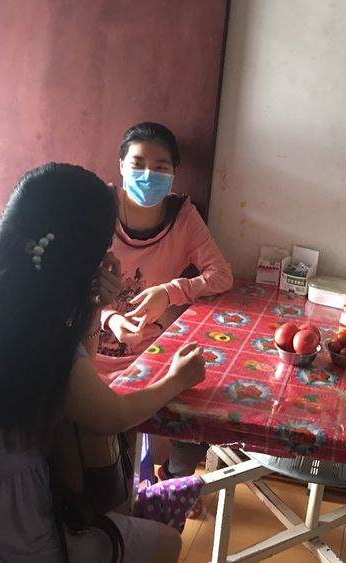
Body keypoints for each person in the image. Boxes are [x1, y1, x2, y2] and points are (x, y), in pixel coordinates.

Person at [0, 163, 205, 562]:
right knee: (167, 543)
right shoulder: (39, 338)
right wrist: (177, 379)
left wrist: (94, 307)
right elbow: (111, 416)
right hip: (0, 518)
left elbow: (80, 376)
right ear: (86, 254)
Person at [94, 122, 233, 497]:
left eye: (160, 167)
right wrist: (109, 317)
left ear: (174, 172)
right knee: (98, 427)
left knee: (201, 396)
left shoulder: (182, 216)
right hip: (89, 347)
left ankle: (173, 480)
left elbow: (221, 275)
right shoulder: (98, 208)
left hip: (151, 350)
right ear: (120, 165)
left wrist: (169, 292)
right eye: (137, 163)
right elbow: (69, 281)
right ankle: (117, 490)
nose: (147, 175)